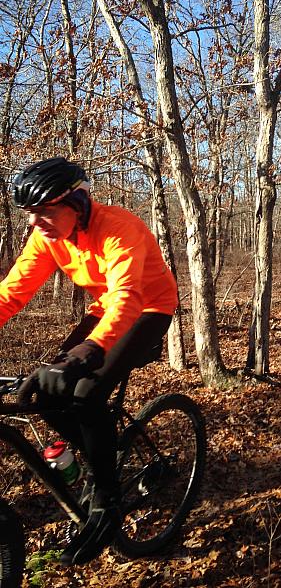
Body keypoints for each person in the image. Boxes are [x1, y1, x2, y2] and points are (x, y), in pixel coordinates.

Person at [0, 157, 178, 566]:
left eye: (44, 213)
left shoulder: (118, 227)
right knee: (42, 391)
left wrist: (87, 352)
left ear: (77, 203)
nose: (35, 224)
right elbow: (11, 293)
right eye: (30, 215)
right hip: (104, 310)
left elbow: (127, 298)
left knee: (84, 391)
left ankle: (108, 494)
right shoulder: (49, 238)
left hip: (148, 308)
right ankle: (104, 448)